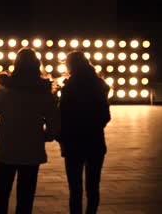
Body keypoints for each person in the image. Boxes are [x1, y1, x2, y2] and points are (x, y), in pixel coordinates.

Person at [0, 48, 60, 214]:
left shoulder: (3, 90)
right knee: (26, 196)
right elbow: (54, 121)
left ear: (16, 65)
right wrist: (45, 136)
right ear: (36, 65)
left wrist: (0, 134)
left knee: (2, 194)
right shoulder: (44, 92)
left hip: (7, 149)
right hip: (32, 150)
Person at [58, 51, 111, 214]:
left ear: (70, 66)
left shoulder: (69, 88)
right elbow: (105, 116)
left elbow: (62, 116)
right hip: (95, 141)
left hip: (73, 143)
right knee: (93, 187)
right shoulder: (99, 86)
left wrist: (60, 136)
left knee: (75, 189)